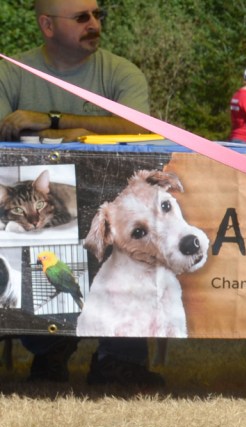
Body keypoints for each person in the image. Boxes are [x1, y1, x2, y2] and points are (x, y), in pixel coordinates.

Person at [0, 0, 162, 386]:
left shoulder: (122, 72)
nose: (94, 24)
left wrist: (53, 122)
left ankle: (119, 358)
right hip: (33, 216)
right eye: (81, 17)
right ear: (47, 25)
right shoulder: (10, 73)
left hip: (107, 205)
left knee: (136, 239)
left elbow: (141, 128)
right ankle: (47, 347)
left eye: (97, 15)